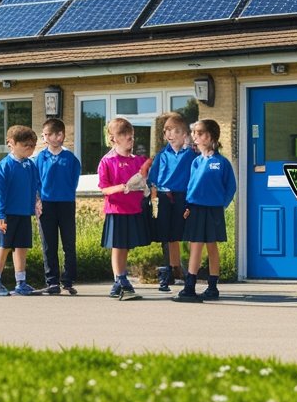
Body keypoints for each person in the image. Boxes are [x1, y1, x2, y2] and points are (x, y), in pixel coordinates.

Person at [172, 119, 236, 303]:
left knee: (212, 247)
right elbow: (191, 186)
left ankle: (213, 286)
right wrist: (187, 206)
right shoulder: (196, 162)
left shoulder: (221, 162)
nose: (195, 137)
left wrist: (220, 205)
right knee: (196, 245)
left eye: (199, 133)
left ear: (210, 137)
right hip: (195, 209)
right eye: (194, 133)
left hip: (213, 210)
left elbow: (230, 187)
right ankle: (190, 286)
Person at [98, 117, 150, 301]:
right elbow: (104, 188)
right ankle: (120, 279)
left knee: (126, 246)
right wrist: (122, 187)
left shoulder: (138, 160)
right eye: (125, 134)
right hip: (117, 210)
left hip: (133, 209)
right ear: (113, 138)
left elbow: (146, 181)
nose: (130, 138)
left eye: (131, 134)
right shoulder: (107, 161)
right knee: (118, 246)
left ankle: (118, 281)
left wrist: (145, 189)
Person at [0, 125, 41, 297]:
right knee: (4, 246)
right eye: (26, 145)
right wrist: (0, 215)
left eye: (33, 145)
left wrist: (37, 201)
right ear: (12, 143)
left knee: (21, 247)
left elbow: (36, 185)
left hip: (24, 213)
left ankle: (21, 282)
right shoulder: (4, 167)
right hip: (8, 215)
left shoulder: (30, 165)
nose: (30, 149)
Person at [148, 112, 196, 291]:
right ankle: (168, 271)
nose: (169, 135)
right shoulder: (162, 155)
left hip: (183, 197)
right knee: (165, 235)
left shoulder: (191, 155)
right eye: (166, 131)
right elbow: (153, 179)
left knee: (183, 234)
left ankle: (184, 269)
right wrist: (154, 201)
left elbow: (194, 178)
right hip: (163, 197)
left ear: (184, 135)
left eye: (174, 131)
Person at [35, 118, 80, 295]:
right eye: (45, 135)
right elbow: (36, 181)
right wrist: (37, 200)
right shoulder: (40, 158)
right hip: (46, 205)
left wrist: (65, 194)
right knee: (48, 244)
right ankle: (52, 282)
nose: (48, 138)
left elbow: (73, 181)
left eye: (51, 134)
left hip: (66, 204)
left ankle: (68, 281)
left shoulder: (70, 159)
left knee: (69, 243)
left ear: (60, 135)